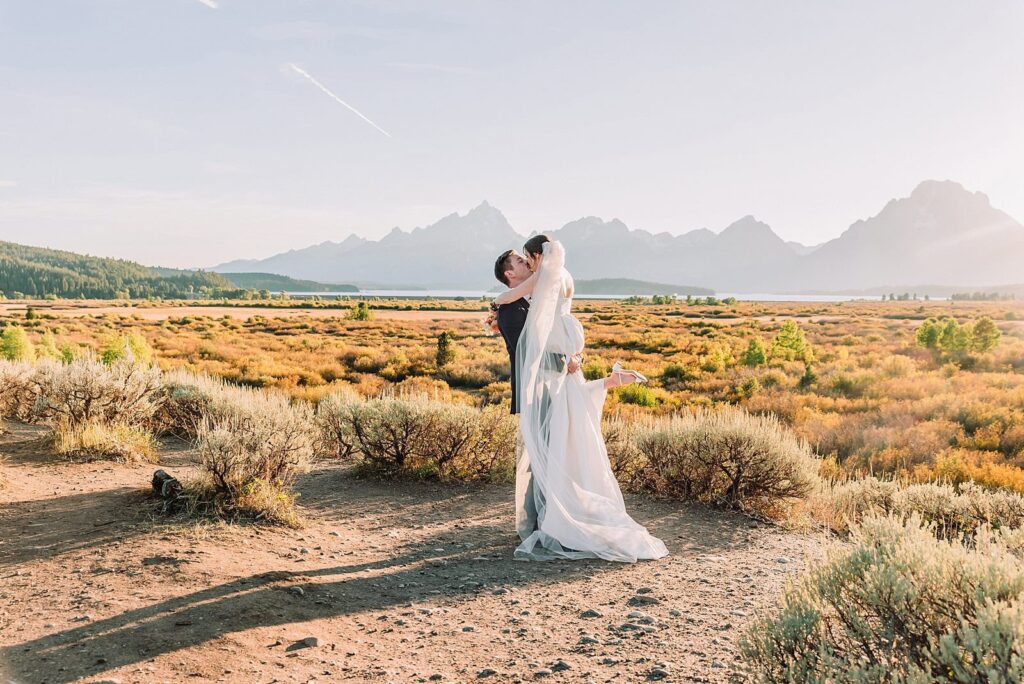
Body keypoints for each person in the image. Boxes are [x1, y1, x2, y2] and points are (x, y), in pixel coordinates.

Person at [492, 235, 670, 563]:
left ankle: (545, 521)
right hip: (539, 387)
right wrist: (498, 305)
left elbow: (542, 340)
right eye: (518, 262)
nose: (524, 263)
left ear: (536, 256)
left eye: (525, 258)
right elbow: (528, 352)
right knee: (542, 455)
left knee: (550, 451)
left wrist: (568, 360)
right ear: (509, 274)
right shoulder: (520, 302)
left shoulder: (536, 287)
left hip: (552, 382)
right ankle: (539, 521)